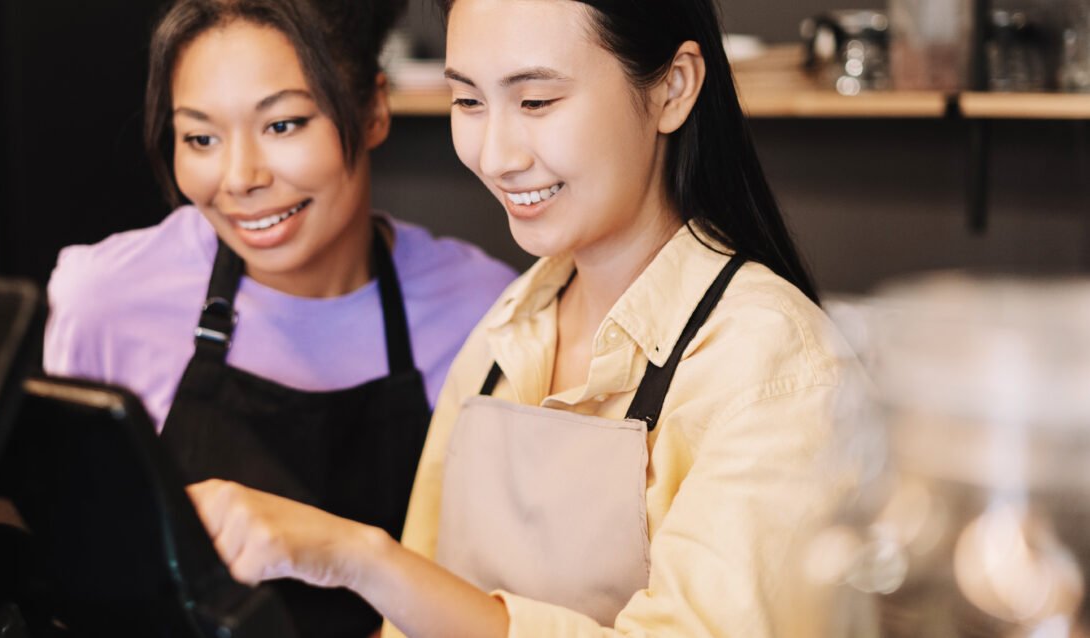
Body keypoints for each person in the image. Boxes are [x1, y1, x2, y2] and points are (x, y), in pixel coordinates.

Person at [184, 0, 859, 636]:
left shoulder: (773, 364)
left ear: (674, 88)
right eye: (469, 101)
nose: (496, 154)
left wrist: (363, 558)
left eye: (536, 101)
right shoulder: (508, 330)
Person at [42, 0, 517, 635]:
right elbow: (68, 570)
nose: (239, 178)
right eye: (200, 137)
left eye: (284, 124)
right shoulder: (105, 298)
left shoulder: (488, 314)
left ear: (374, 109)